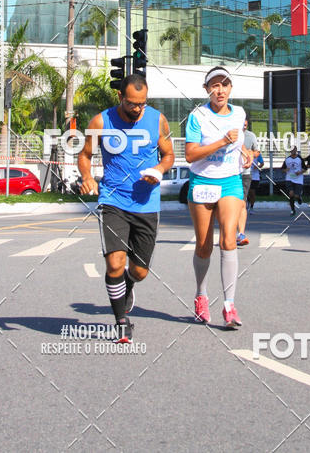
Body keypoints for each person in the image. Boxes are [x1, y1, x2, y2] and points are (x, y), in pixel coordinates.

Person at [78, 73, 174, 342]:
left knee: (140, 271)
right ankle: (121, 320)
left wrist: (158, 168)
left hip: (146, 202)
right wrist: (87, 177)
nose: (137, 109)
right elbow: (85, 155)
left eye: (142, 103)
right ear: (120, 97)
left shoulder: (157, 120)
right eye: (132, 103)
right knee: (114, 263)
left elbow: (169, 155)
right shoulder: (101, 121)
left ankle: (128, 285)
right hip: (113, 201)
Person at [185, 66, 253, 329]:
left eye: (224, 84)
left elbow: (236, 144)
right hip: (202, 182)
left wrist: (244, 151)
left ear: (231, 88)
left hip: (230, 182)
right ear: (206, 90)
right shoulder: (197, 116)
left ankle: (229, 305)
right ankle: (201, 295)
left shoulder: (240, 113)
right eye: (214, 85)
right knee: (204, 245)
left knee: (228, 238)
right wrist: (222, 142)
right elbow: (191, 155)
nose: (220, 90)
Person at [237, 118, 261, 246]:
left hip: (245, 174)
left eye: (246, 125)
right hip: (230, 174)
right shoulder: (231, 134)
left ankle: (241, 233)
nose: (244, 127)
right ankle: (227, 232)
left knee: (241, 202)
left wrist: (251, 153)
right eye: (242, 125)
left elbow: (257, 151)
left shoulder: (251, 136)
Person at [281, 147, 304, 214]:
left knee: (296, 196)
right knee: (291, 194)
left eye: (294, 150)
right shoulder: (287, 159)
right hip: (289, 178)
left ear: (296, 150)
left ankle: (299, 197)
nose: (293, 151)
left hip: (298, 179)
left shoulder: (299, 159)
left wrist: (300, 172)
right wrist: (286, 170)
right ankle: (292, 210)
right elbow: (282, 169)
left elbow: (305, 168)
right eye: (292, 150)